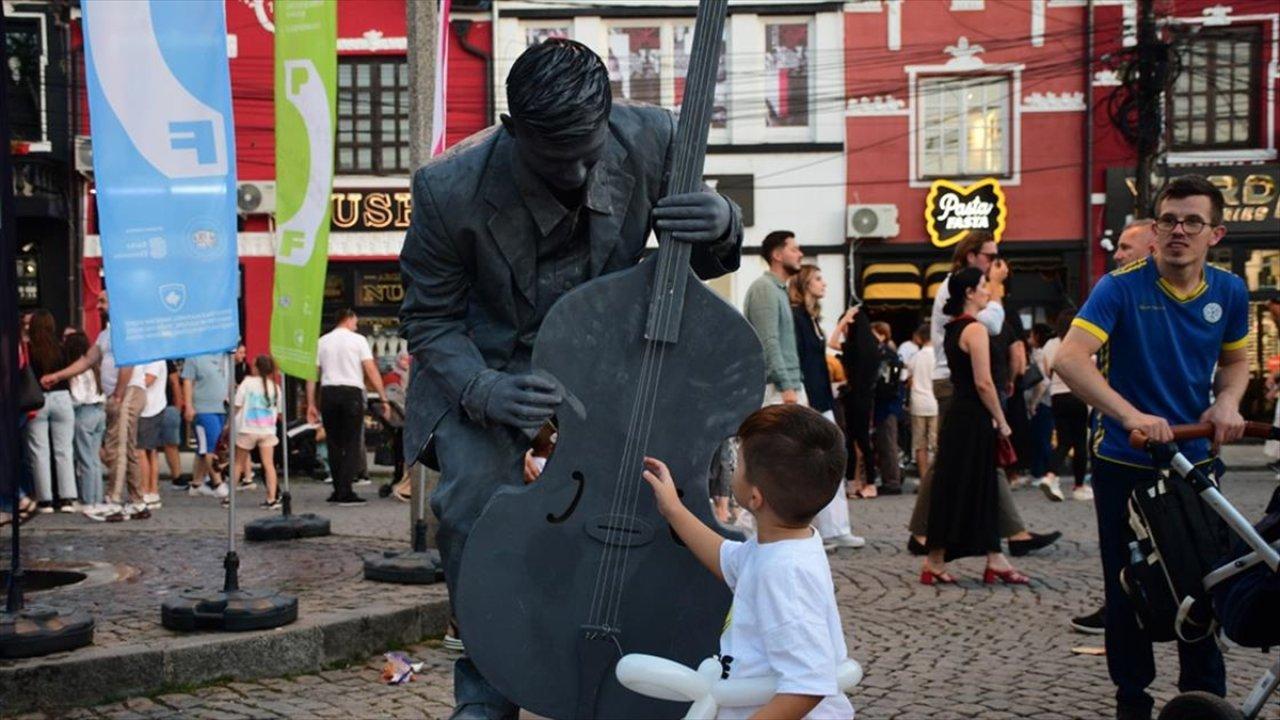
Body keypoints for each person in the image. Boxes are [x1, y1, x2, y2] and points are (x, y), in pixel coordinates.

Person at [399, 38, 742, 719]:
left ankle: (643, 665)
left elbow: (696, 267)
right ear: (515, 131)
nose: (583, 171)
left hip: (606, 360)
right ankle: (487, 687)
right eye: (560, 159)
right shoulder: (446, 188)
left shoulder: (655, 137)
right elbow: (430, 320)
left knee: (653, 498)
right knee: (474, 506)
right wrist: (485, 391)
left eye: (591, 151)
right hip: (490, 364)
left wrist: (722, 222)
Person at [1054, 175, 1247, 720]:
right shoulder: (1121, 287)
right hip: (1125, 460)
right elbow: (1069, 360)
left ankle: (1204, 701)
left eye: (1192, 222)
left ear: (1215, 233)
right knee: (1129, 587)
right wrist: (1130, 414)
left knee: (1205, 582)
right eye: (1169, 220)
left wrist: (1227, 403)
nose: (1178, 231)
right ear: (1156, 228)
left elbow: (1235, 362)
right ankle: (1132, 703)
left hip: (1197, 460)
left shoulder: (1230, 291)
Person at [641, 404, 855, 719]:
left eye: (738, 462)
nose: (734, 466)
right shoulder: (783, 545)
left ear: (755, 498)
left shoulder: (786, 574)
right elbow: (726, 558)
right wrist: (674, 510)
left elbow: (808, 684)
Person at [907, 233, 1060, 556]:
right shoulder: (958, 286)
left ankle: (930, 536)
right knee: (965, 461)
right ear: (971, 255)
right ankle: (1005, 537)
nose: (994, 262)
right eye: (989, 256)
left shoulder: (966, 286)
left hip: (957, 380)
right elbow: (990, 323)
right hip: (954, 382)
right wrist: (997, 288)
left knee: (962, 461)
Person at [921, 268, 1029, 586]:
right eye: (983, 287)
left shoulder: (953, 329)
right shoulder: (976, 330)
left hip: (959, 415)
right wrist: (1002, 420)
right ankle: (984, 559)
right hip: (975, 417)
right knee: (977, 485)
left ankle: (944, 560)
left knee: (956, 486)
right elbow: (984, 382)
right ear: (969, 293)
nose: (988, 292)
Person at [40, 293, 150, 522]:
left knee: (116, 444)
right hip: (122, 392)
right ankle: (138, 501)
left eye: (102, 302)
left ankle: (113, 500)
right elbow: (87, 360)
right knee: (126, 446)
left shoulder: (124, 331)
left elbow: (127, 364)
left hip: (128, 390)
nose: (98, 306)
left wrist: (118, 394)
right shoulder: (105, 334)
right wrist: (58, 375)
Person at [789, 264, 865, 550]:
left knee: (833, 459)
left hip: (823, 397)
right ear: (806, 282)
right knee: (812, 464)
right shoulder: (797, 317)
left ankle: (836, 527)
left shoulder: (811, 318)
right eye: (818, 278)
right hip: (809, 398)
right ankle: (821, 529)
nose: (824, 283)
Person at [306, 309, 388, 506]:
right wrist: (383, 397)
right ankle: (346, 490)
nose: (357, 326)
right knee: (352, 442)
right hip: (351, 391)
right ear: (348, 318)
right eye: (355, 322)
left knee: (333, 442)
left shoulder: (322, 341)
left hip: (328, 392)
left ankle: (337, 489)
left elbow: (312, 374)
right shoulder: (358, 340)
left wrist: (310, 402)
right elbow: (370, 368)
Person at [23, 310, 78, 513]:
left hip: (37, 400)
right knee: (64, 450)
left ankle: (45, 499)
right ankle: (67, 498)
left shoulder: (29, 349)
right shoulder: (62, 348)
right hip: (62, 398)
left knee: (39, 451)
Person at [745, 230, 806, 406]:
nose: (800, 255)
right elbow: (768, 341)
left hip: (788, 387)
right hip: (778, 390)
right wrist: (786, 386)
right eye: (794, 250)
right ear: (777, 255)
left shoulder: (778, 289)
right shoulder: (765, 289)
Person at [829, 305, 879, 498]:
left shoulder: (852, 348)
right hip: (866, 397)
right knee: (864, 440)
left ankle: (853, 482)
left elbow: (832, 342)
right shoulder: (871, 347)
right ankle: (869, 482)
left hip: (853, 398)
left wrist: (843, 321)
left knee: (852, 440)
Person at [1040, 310, 1089, 502]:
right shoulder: (1080, 342)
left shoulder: (1050, 345)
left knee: (1063, 441)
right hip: (1078, 394)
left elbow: (1046, 370)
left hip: (1056, 396)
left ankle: (1050, 475)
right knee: (1080, 443)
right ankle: (1079, 486)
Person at [64, 330, 107, 514]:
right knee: (94, 458)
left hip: (84, 413)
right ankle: (97, 497)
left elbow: (78, 397)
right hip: (99, 411)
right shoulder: (95, 369)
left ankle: (88, 499)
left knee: (85, 459)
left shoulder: (77, 370)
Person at [234, 355, 283, 509]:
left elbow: (237, 404)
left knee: (238, 463)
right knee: (269, 464)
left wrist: (230, 423)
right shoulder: (275, 387)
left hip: (248, 428)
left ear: (255, 368)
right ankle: (271, 498)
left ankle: (230, 498)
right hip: (267, 429)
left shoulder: (247, 383)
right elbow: (279, 411)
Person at [182, 352, 229, 499]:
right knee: (211, 445)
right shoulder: (194, 356)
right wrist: (188, 406)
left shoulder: (224, 355)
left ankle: (196, 484)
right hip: (203, 408)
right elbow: (187, 381)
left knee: (205, 447)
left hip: (221, 407)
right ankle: (217, 483)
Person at [870, 321, 904, 496]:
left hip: (886, 404)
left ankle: (892, 481)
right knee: (886, 441)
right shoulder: (890, 353)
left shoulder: (884, 354)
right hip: (889, 404)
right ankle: (890, 479)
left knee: (888, 442)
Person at [905, 323, 938, 487]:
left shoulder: (915, 357)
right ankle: (937, 476)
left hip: (918, 402)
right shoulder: (939, 356)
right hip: (936, 403)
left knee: (919, 443)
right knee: (936, 442)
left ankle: (925, 479)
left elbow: (908, 379)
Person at [134, 359, 169, 510]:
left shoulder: (154, 359)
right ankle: (152, 491)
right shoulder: (157, 358)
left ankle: (146, 491)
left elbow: (148, 380)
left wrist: (130, 382)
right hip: (152, 407)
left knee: (141, 450)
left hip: (148, 408)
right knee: (150, 451)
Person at [158, 361, 186, 486]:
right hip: (167, 406)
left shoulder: (166, 361)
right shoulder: (166, 360)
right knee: (171, 444)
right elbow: (175, 383)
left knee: (148, 447)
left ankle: (176, 476)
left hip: (164, 406)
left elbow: (175, 383)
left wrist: (178, 407)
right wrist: (178, 408)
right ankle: (177, 477)